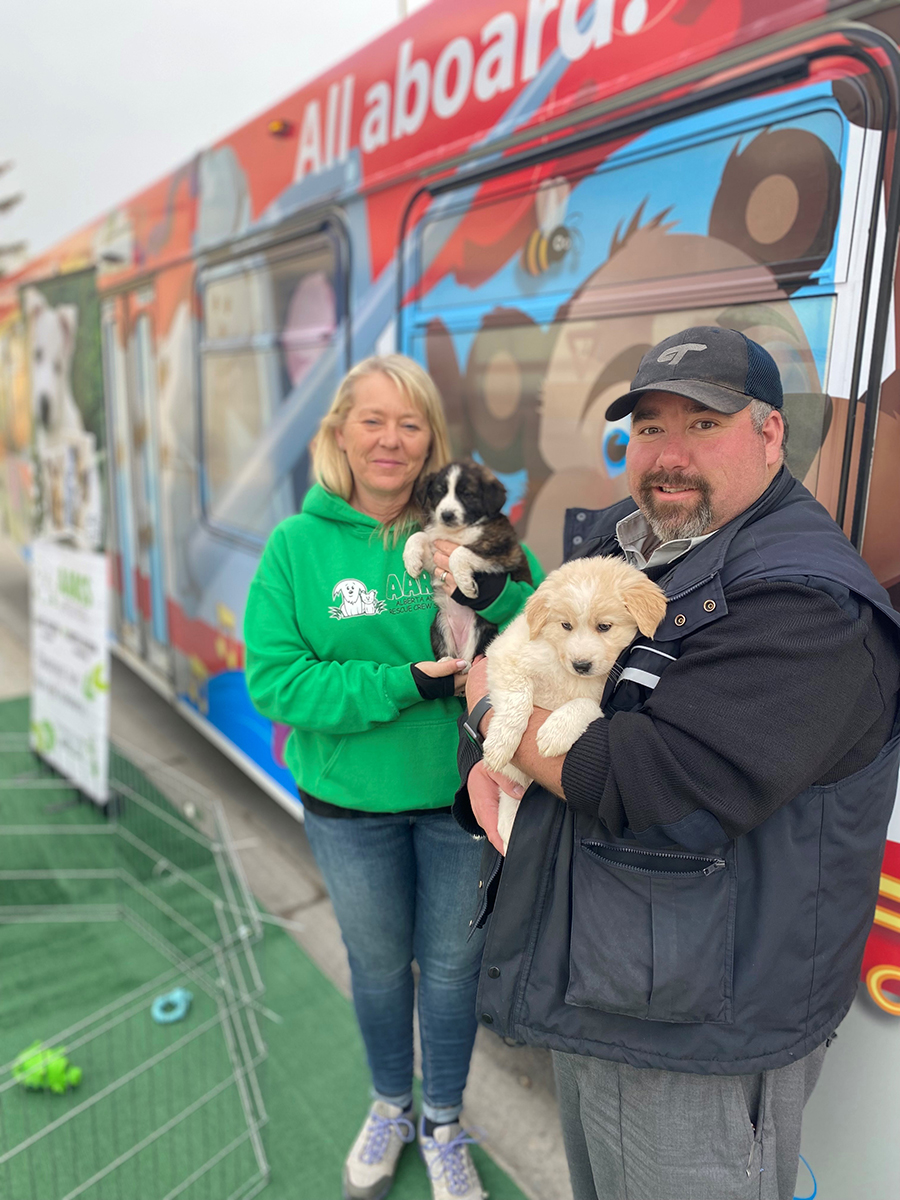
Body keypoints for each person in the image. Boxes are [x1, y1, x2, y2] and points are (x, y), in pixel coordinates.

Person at [454, 326, 900, 1200]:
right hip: (622, 986)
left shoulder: (806, 603)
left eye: (704, 424)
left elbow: (642, 778)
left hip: (698, 1034)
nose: (669, 454)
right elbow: (555, 666)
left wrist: (485, 702)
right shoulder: (650, 551)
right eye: (651, 427)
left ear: (771, 434)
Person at [243, 354, 542, 1200]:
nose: (391, 439)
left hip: (457, 799)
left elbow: (542, 612)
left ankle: (443, 1121)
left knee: (452, 972)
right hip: (349, 807)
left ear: (430, 441)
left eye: (409, 423)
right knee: (378, 969)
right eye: (372, 419)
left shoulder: (467, 528)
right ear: (340, 432)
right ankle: (389, 1107)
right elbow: (276, 681)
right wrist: (401, 684)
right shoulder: (297, 546)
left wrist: (486, 597)